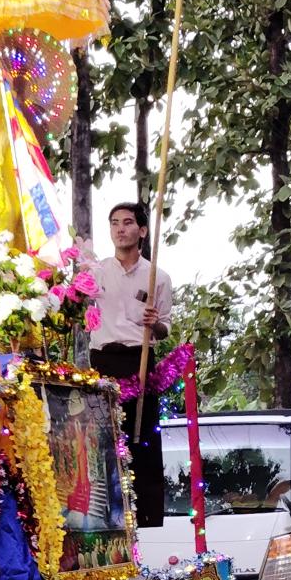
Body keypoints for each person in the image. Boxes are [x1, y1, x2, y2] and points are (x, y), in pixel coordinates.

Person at [87, 201, 174, 527]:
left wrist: (155, 322)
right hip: (103, 359)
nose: (120, 229)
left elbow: (165, 328)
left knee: (142, 438)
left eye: (127, 222)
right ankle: (102, 513)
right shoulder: (95, 273)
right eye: (114, 223)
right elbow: (75, 309)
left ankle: (145, 516)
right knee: (103, 438)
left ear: (142, 230)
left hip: (139, 358)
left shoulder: (158, 277)